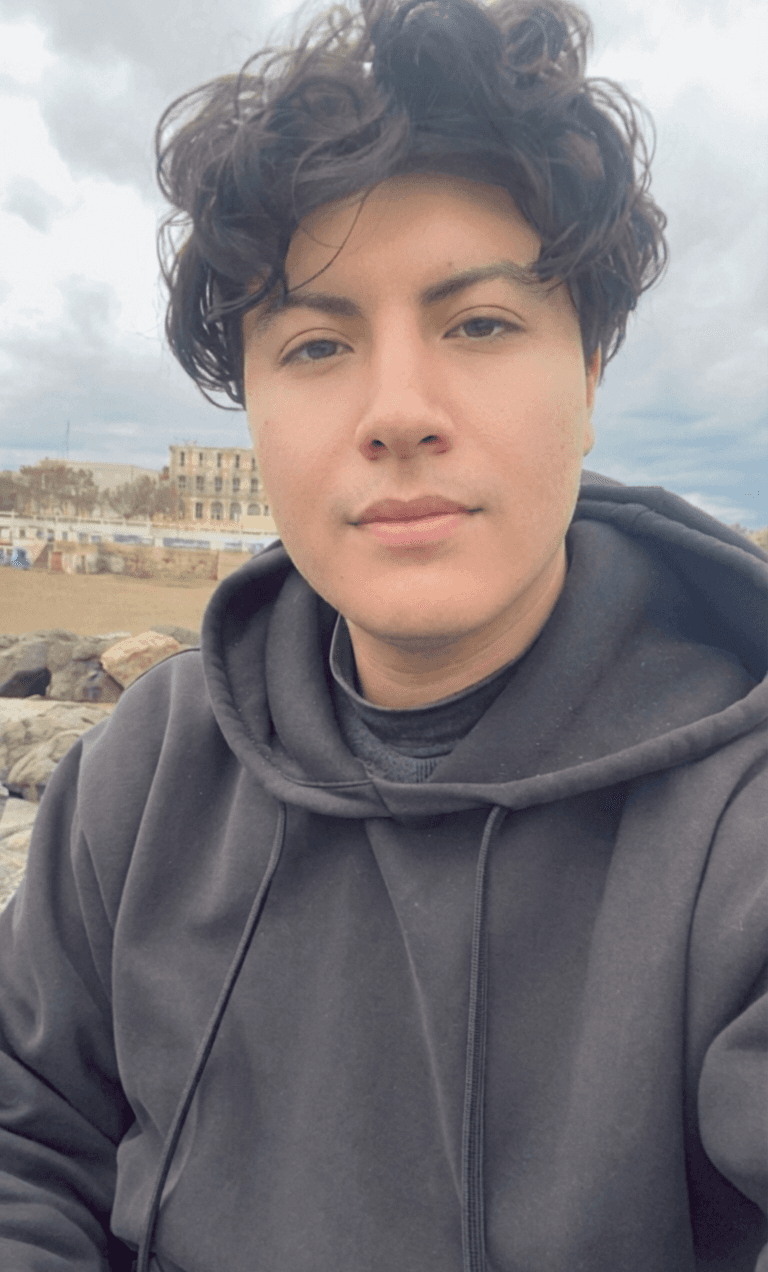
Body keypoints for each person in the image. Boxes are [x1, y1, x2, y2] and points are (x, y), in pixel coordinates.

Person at [0, 0, 765, 1268]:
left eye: (478, 324)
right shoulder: (142, 775)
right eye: (315, 343)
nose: (397, 411)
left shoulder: (738, 832)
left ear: (589, 377)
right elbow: (27, 1140)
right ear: (252, 409)